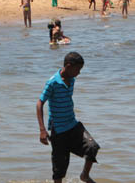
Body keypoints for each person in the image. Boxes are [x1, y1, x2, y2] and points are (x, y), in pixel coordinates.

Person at [36, 52, 100, 183]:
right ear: (69, 66)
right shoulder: (53, 82)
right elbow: (39, 103)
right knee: (59, 170)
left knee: (92, 147)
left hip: (73, 125)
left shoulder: (72, 80)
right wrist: (42, 130)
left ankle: (84, 175)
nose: (79, 73)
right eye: (78, 70)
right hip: (58, 131)